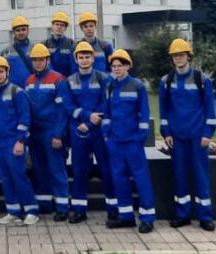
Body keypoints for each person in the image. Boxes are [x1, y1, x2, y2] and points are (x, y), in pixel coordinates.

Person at [159, 38, 216, 231]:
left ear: (188, 56)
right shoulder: (166, 81)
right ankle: (182, 215)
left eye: (181, 55)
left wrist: (207, 133)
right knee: (180, 176)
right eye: (175, 55)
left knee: (201, 176)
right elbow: (163, 110)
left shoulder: (202, 80)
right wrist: (166, 132)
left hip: (198, 137)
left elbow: (210, 109)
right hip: (177, 138)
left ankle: (205, 217)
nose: (178, 58)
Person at [60, 41, 117, 224]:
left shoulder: (104, 78)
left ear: (93, 58)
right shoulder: (68, 81)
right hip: (79, 132)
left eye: (87, 56)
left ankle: (113, 209)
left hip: (99, 132)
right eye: (81, 57)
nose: (84, 60)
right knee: (79, 172)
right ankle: (79, 210)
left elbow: (106, 103)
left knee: (106, 170)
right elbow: (68, 106)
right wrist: (87, 117)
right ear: (76, 59)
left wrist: (91, 123)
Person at [101, 49, 156, 234]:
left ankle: (147, 218)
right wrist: (106, 134)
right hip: (115, 142)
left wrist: (139, 137)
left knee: (141, 179)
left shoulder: (137, 86)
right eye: (114, 66)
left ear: (127, 66)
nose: (116, 69)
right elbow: (106, 113)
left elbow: (144, 113)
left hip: (133, 142)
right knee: (119, 179)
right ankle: (126, 217)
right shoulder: (109, 86)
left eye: (120, 65)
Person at [0, 56, 38, 226]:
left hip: (13, 143)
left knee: (19, 177)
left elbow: (25, 118)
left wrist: (20, 141)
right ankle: (13, 211)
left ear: (7, 72)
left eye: (1, 71)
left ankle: (31, 211)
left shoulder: (18, 92)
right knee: (6, 178)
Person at [25, 43, 69, 220]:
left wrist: (58, 134)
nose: (38, 63)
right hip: (35, 132)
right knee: (39, 169)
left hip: (51, 131)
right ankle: (44, 204)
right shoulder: (29, 81)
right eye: (35, 60)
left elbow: (63, 109)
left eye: (41, 59)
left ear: (47, 60)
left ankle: (62, 207)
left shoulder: (58, 79)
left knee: (56, 169)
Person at [1, 15, 35, 86]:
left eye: (23, 29)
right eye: (18, 30)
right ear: (13, 32)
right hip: (12, 89)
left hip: (31, 88)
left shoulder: (35, 49)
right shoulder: (5, 52)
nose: (21, 32)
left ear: (28, 30)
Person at [44, 11, 75, 78]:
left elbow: (74, 65)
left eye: (62, 25)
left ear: (65, 28)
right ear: (52, 26)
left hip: (66, 79)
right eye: (57, 24)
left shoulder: (71, 43)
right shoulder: (45, 44)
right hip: (51, 79)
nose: (59, 27)